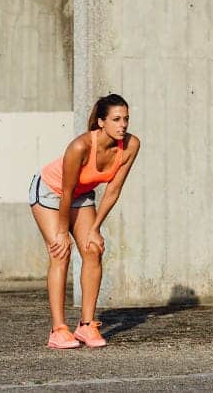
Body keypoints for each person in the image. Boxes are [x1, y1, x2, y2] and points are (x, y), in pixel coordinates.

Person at [28, 94, 140, 349]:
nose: (122, 125)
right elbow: (65, 191)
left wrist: (95, 228)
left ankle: (86, 326)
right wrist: (61, 231)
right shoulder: (80, 146)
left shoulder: (131, 145)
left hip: (80, 196)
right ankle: (58, 330)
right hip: (50, 192)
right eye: (115, 119)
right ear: (101, 122)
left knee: (93, 249)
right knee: (60, 252)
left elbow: (113, 190)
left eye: (125, 119)